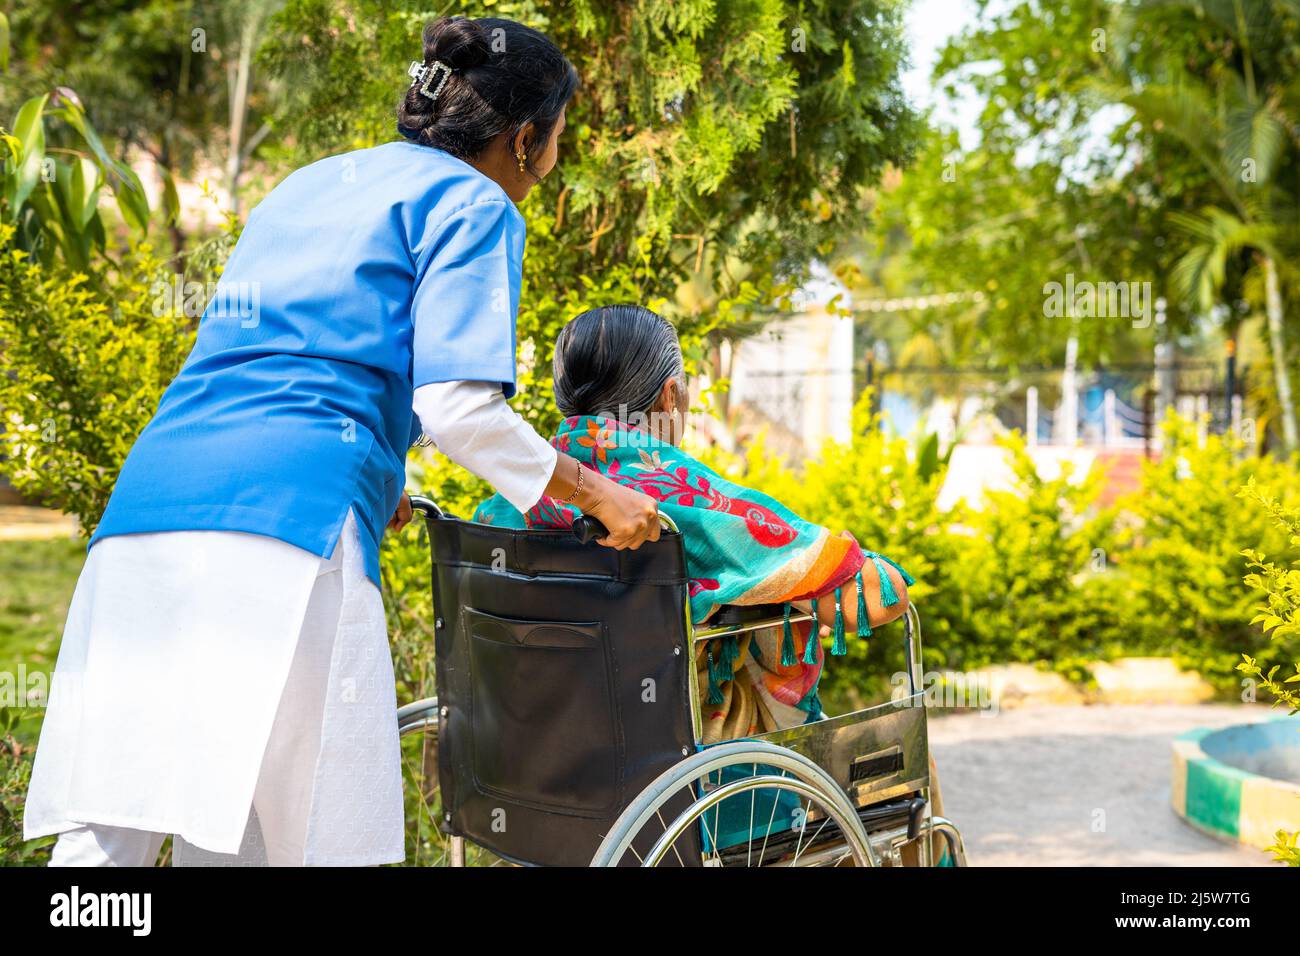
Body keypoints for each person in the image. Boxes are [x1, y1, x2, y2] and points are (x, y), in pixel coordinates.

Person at [24, 15, 660, 867]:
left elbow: (280, 360)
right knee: (311, 838)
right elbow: (461, 409)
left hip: (149, 514)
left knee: (113, 827)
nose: (550, 168)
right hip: (291, 531)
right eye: (554, 145)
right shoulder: (473, 201)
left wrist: (380, 476)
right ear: (523, 138)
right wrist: (597, 490)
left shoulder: (305, 186)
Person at [473, 304, 914, 741]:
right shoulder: (684, 497)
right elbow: (876, 598)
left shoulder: (505, 507)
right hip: (682, 754)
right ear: (671, 396)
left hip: (541, 746)